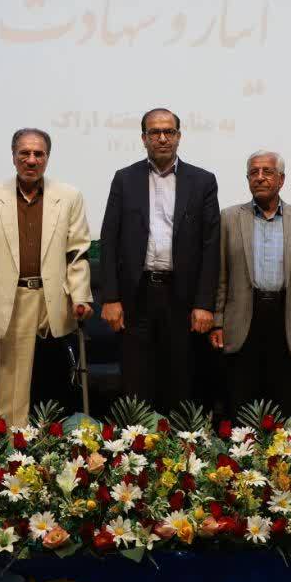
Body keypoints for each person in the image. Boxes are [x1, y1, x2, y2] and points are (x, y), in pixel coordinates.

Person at [0, 128, 93, 425]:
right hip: (13, 299)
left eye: (39, 154)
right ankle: (12, 445)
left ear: (48, 157)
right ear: (13, 156)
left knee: (54, 380)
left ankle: (52, 446)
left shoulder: (69, 196)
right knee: (12, 390)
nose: (31, 160)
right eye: (24, 153)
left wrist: (81, 297)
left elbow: (77, 253)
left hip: (55, 301)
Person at [99, 108, 220, 413]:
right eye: (155, 132)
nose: (162, 138)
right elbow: (109, 240)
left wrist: (205, 303)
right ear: (144, 138)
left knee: (180, 380)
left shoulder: (202, 181)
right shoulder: (125, 179)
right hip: (136, 296)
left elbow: (210, 247)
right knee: (136, 381)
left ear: (179, 136)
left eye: (169, 132)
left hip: (182, 298)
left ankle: (179, 443)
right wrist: (110, 298)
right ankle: (138, 440)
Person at [211, 150, 291, 418]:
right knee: (240, 402)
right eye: (254, 172)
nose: (260, 177)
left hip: (287, 318)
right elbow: (220, 276)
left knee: (286, 400)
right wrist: (217, 321)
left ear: (281, 180)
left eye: (267, 172)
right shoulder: (229, 218)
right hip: (242, 319)